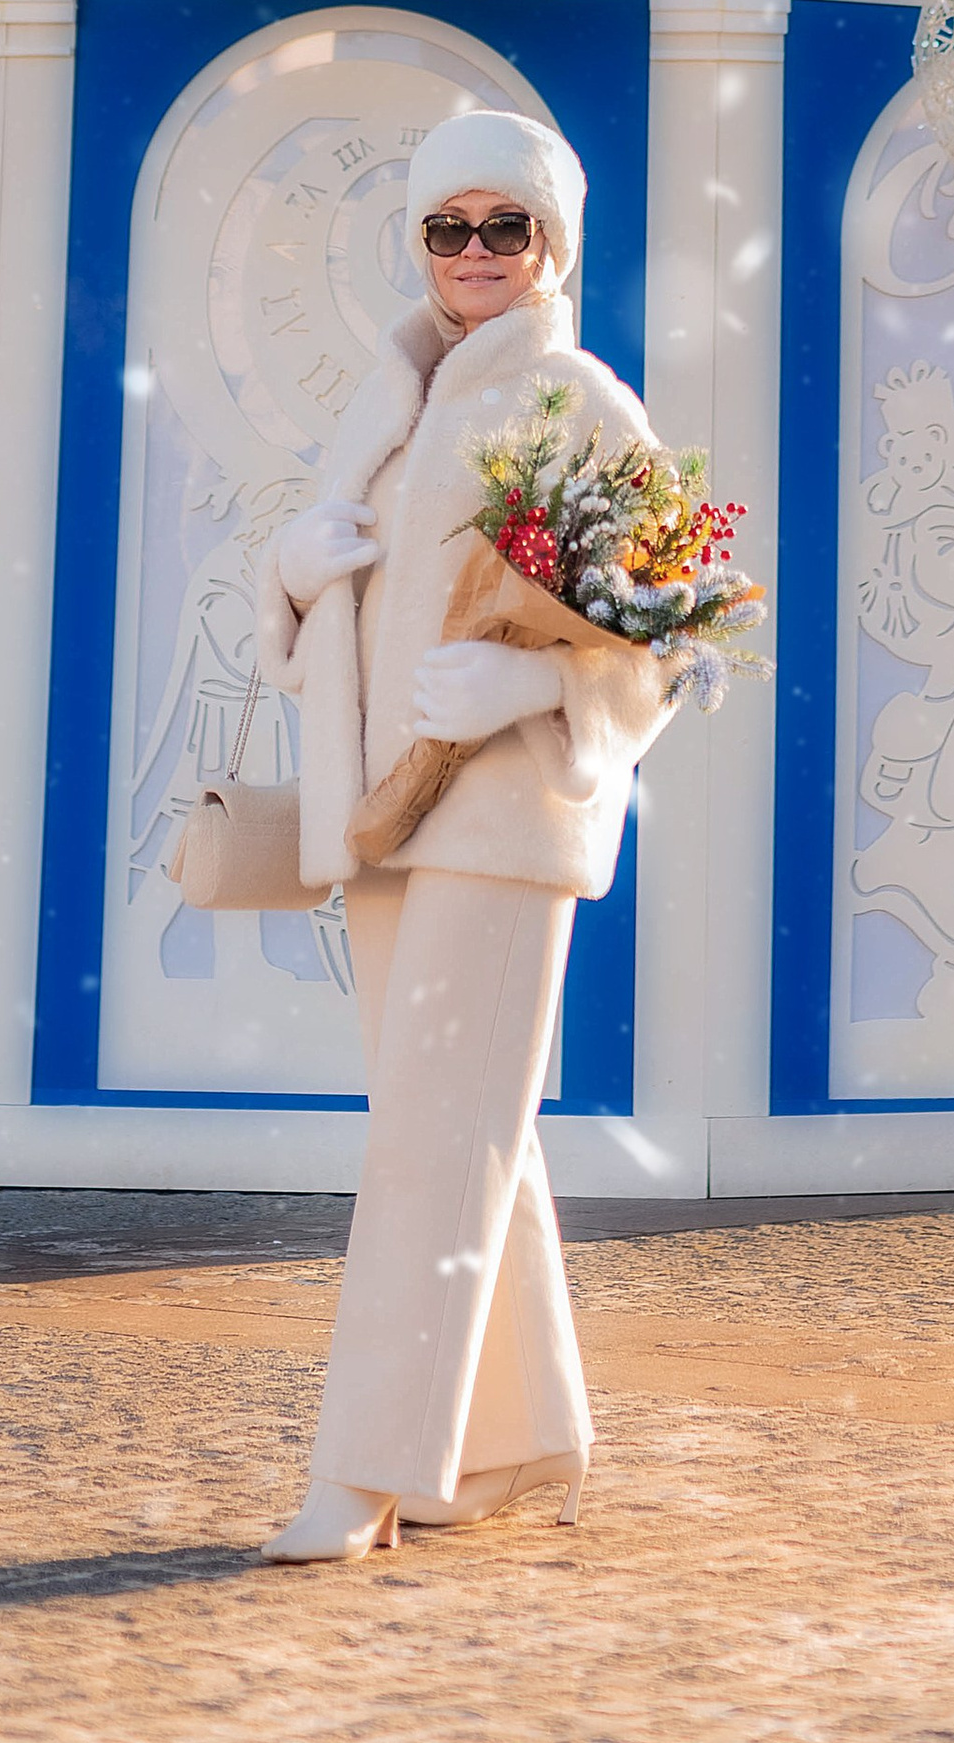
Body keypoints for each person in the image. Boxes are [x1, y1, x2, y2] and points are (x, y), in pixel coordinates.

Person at [252, 108, 674, 1560]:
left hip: (502, 820)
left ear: (555, 245)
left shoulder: (580, 401)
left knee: (434, 1149)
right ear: (420, 241)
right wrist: (289, 575)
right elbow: (339, 601)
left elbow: (672, 637)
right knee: (459, 1135)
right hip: (383, 817)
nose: (477, 250)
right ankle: (515, 1441)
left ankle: (365, 1475)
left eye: (509, 226)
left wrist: (542, 686)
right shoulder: (389, 399)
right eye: (450, 226)